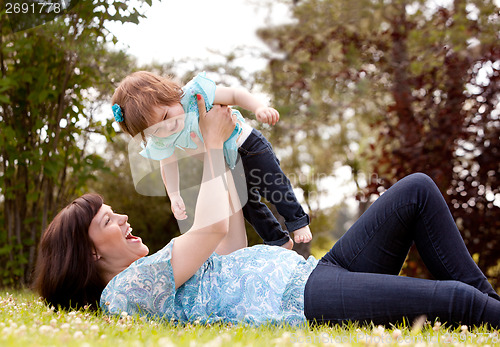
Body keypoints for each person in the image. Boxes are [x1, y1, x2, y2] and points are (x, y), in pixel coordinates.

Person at [33, 98, 500, 328]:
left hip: (315, 274)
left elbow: (228, 232)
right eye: (108, 222)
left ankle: (493, 310)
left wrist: (211, 135)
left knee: (416, 191)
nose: (124, 221)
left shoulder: (158, 275)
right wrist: (213, 145)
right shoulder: (123, 292)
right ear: (89, 253)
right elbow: (211, 225)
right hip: (303, 299)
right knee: (453, 301)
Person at [110, 71, 312, 248]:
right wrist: (174, 195)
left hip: (248, 145)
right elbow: (167, 164)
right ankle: (277, 240)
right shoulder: (163, 138)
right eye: (156, 130)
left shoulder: (194, 94)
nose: (168, 127)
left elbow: (234, 94)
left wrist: (259, 108)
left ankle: (298, 222)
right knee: (247, 205)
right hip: (227, 163)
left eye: (165, 116)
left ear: (168, 95)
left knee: (273, 184)